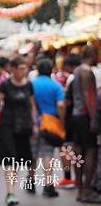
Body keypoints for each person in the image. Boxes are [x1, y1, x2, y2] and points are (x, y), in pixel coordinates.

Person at [0, 56, 37, 206]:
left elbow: (32, 105)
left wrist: (34, 123)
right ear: (13, 69)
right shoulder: (5, 85)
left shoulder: (29, 85)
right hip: (8, 125)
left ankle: (12, 190)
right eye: (21, 68)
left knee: (18, 160)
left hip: (24, 127)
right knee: (10, 159)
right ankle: (10, 192)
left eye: (25, 68)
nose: (23, 71)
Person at [32, 57, 66, 198]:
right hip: (51, 124)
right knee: (48, 154)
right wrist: (62, 122)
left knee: (32, 152)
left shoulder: (31, 84)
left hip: (33, 122)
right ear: (51, 70)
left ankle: (30, 180)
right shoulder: (56, 86)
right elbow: (60, 105)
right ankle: (48, 186)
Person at [72, 45, 101, 203]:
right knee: (90, 151)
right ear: (93, 55)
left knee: (79, 151)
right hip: (85, 115)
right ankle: (86, 190)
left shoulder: (77, 70)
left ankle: (80, 188)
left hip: (76, 115)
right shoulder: (86, 71)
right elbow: (87, 95)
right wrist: (93, 117)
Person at [59, 53, 81, 189]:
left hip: (72, 118)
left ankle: (69, 178)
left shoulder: (73, 78)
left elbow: (66, 101)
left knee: (67, 147)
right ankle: (79, 178)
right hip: (82, 117)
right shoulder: (85, 73)